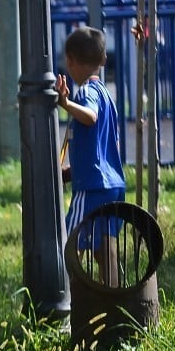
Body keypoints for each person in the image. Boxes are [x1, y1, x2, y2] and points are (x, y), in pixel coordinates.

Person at [56, 26, 126, 286]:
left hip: (92, 189)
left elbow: (90, 116)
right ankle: (113, 299)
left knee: (68, 244)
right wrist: (72, 173)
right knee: (104, 250)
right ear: (103, 59)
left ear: (70, 60)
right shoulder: (109, 97)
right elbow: (102, 148)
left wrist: (66, 104)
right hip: (112, 185)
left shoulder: (86, 92)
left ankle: (70, 297)